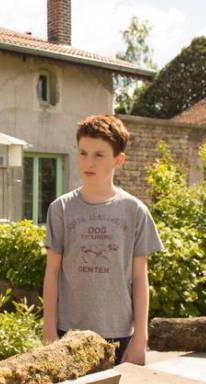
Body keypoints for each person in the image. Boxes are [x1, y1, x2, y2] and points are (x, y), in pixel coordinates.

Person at [41, 115, 163, 365]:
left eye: (99, 155)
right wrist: (49, 330)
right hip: (68, 334)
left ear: (118, 160)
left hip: (119, 335)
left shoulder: (135, 211)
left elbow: (140, 278)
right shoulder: (61, 209)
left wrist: (141, 338)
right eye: (83, 153)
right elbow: (52, 272)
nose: (88, 162)